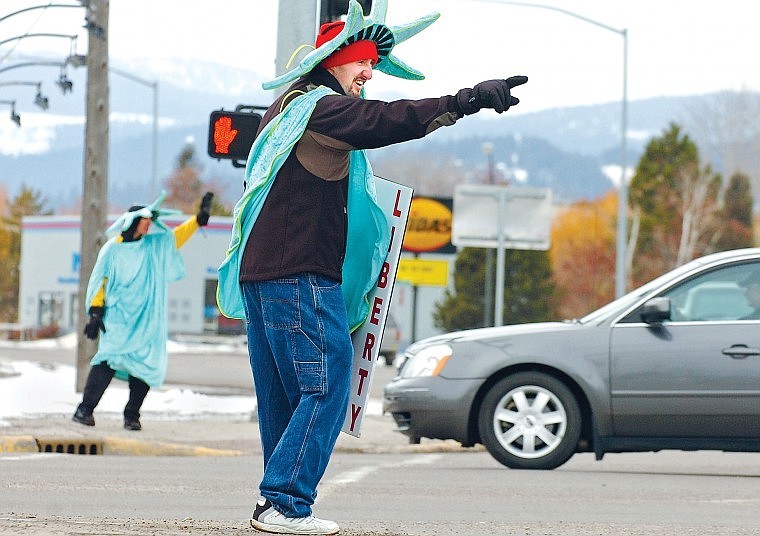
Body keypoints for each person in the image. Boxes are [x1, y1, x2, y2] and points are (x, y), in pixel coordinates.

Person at [216, 1, 527, 533]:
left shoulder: (284, 110)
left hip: (261, 274)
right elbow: (387, 121)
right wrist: (466, 100)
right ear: (335, 58)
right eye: (363, 63)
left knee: (285, 394)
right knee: (328, 383)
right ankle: (285, 502)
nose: (368, 74)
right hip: (299, 273)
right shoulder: (319, 107)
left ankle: (276, 504)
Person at [72, 191, 213, 431]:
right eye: (145, 221)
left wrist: (198, 220)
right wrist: (95, 311)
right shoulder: (111, 250)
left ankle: (132, 416)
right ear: (134, 221)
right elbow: (100, 281)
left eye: (150, 222)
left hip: (147, 320)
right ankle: (84, 410)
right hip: (117, 318)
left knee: (145, 366)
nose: (149, 226)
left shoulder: (153, 247)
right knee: (108, 360)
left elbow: (175, 237)